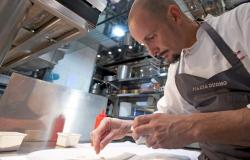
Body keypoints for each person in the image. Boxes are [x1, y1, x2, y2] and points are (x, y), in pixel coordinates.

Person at [91, 0, 250, 159]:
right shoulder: (176, 72)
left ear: (174, 15)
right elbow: (165, 120)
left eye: (151, 37)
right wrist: (127, 127)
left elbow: (183, 126)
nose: (152, 52)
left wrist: (191, 127)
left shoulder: (240, 21)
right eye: (144, 44)